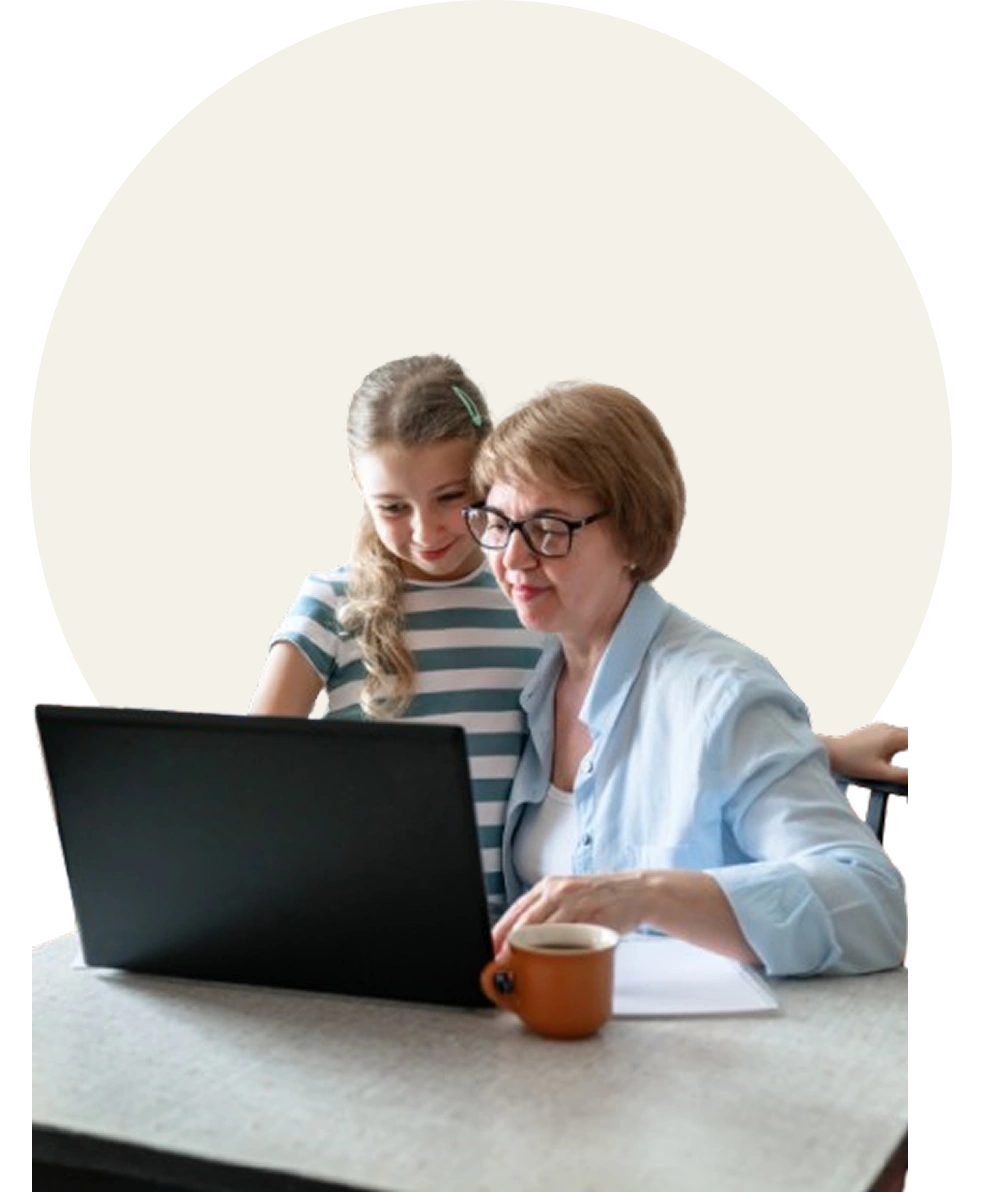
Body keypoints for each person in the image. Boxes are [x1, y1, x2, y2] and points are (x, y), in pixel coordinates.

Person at [249, 355, 909, 929]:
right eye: (392, 506)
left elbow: (662, 724)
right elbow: (253, 765)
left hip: (535, 961)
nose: (428, 531)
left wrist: (808, 749)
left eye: (451, 497)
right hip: (396, 933)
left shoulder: (545, 614)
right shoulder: (526, 657)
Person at [462, 380, 908, 975]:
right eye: (498, 523)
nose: (513, 559)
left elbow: (872, 906)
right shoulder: (531, 682)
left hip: (710, 1056)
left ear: (632, 535)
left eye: (549, 529)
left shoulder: (723, 695)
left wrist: (646, 895)